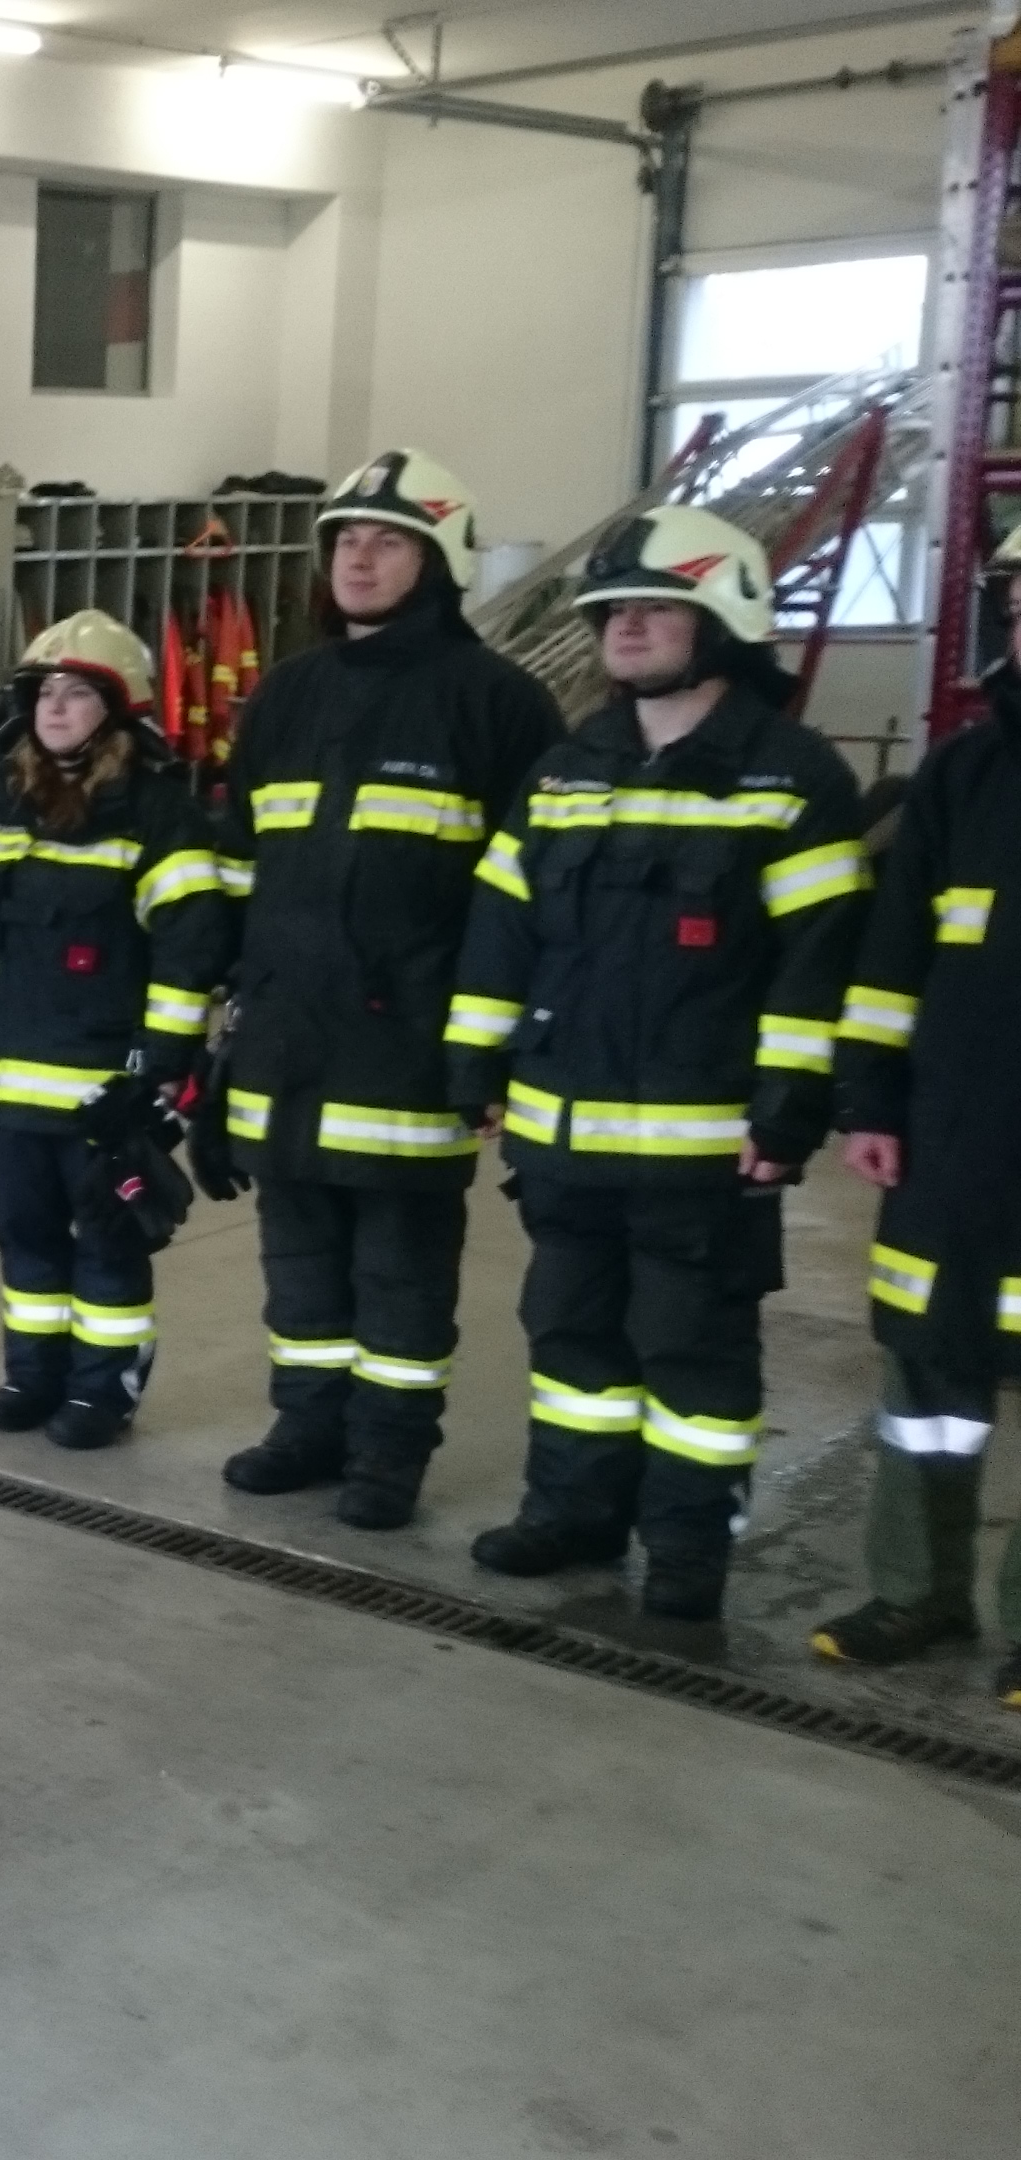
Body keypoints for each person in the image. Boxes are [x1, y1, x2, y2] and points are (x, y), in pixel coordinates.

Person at [450, 510, 865, 1618]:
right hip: (563, 1135)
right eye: (610, 612)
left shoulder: (790, 776)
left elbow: (816, 963)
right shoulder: (565, 771)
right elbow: (502, 928)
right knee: (571, 1334)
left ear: (724, 621)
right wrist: (474, 1061)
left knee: (693, 1355)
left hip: (705, 1151)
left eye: (652, 608)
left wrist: (789, 1110)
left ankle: (686, 1547)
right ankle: (574, 1513)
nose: (624, 628)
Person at [206, 451, 563, 1531]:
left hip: (411, 1041)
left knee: (402, 1267)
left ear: (440, 561)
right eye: (346, 541)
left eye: (389, 542)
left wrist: (491, 1051)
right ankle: (307, 1427)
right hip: (285, 1033)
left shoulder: (498, 703)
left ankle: (389, 1454)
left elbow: (528, 899)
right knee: (299, 1257)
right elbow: (238, 867)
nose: (359, 561)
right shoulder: (289, 694)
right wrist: (218, 1023)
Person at [0, 612, 231, 1445]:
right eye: (43, 694)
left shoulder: (159, 815)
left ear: (119, 709)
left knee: (107, 1242)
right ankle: (33, 1377)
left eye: (75, 693)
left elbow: (188, 951)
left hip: (106, 1087)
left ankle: (104, 1392)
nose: (55, 708)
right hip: (12, 1079)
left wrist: (160, 1066)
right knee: (22, 1235)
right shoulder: (10, 805)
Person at [812, 528, 1021, 1697]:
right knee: (926, 1377)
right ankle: (917, 1590)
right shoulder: (963, 773)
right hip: (949, 1139)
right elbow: (892, 957)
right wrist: (871, 1100)